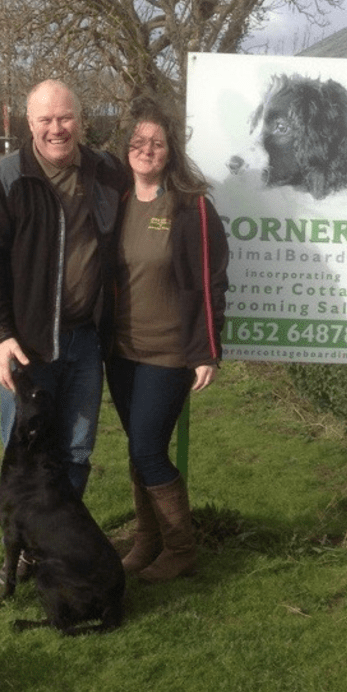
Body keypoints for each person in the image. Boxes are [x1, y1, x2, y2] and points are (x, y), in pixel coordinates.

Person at [0, 80, 129, 506]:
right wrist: (0, 336)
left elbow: (155, 192)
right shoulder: (1, 181)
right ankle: (21, 550)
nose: (57, 128)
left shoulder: (108, 171)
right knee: (22, 451)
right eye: (46, 119)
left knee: (76, 450)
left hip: (86, 341)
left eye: (66, 117)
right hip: (27, 343)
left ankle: (62, 545)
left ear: (81, 119)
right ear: (30, 123)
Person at [107, 96, 229, 583]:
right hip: (119, 353)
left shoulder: (191, 208)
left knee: (149, 449)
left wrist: (207, 352)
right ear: (127, 148)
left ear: (170, 150)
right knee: (137, 448)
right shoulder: (114, 202)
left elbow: (210, 281)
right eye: (138, 141)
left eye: (156, 142)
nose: (146, 149)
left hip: (169, 353)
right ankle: (146, 540)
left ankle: (180, 549)